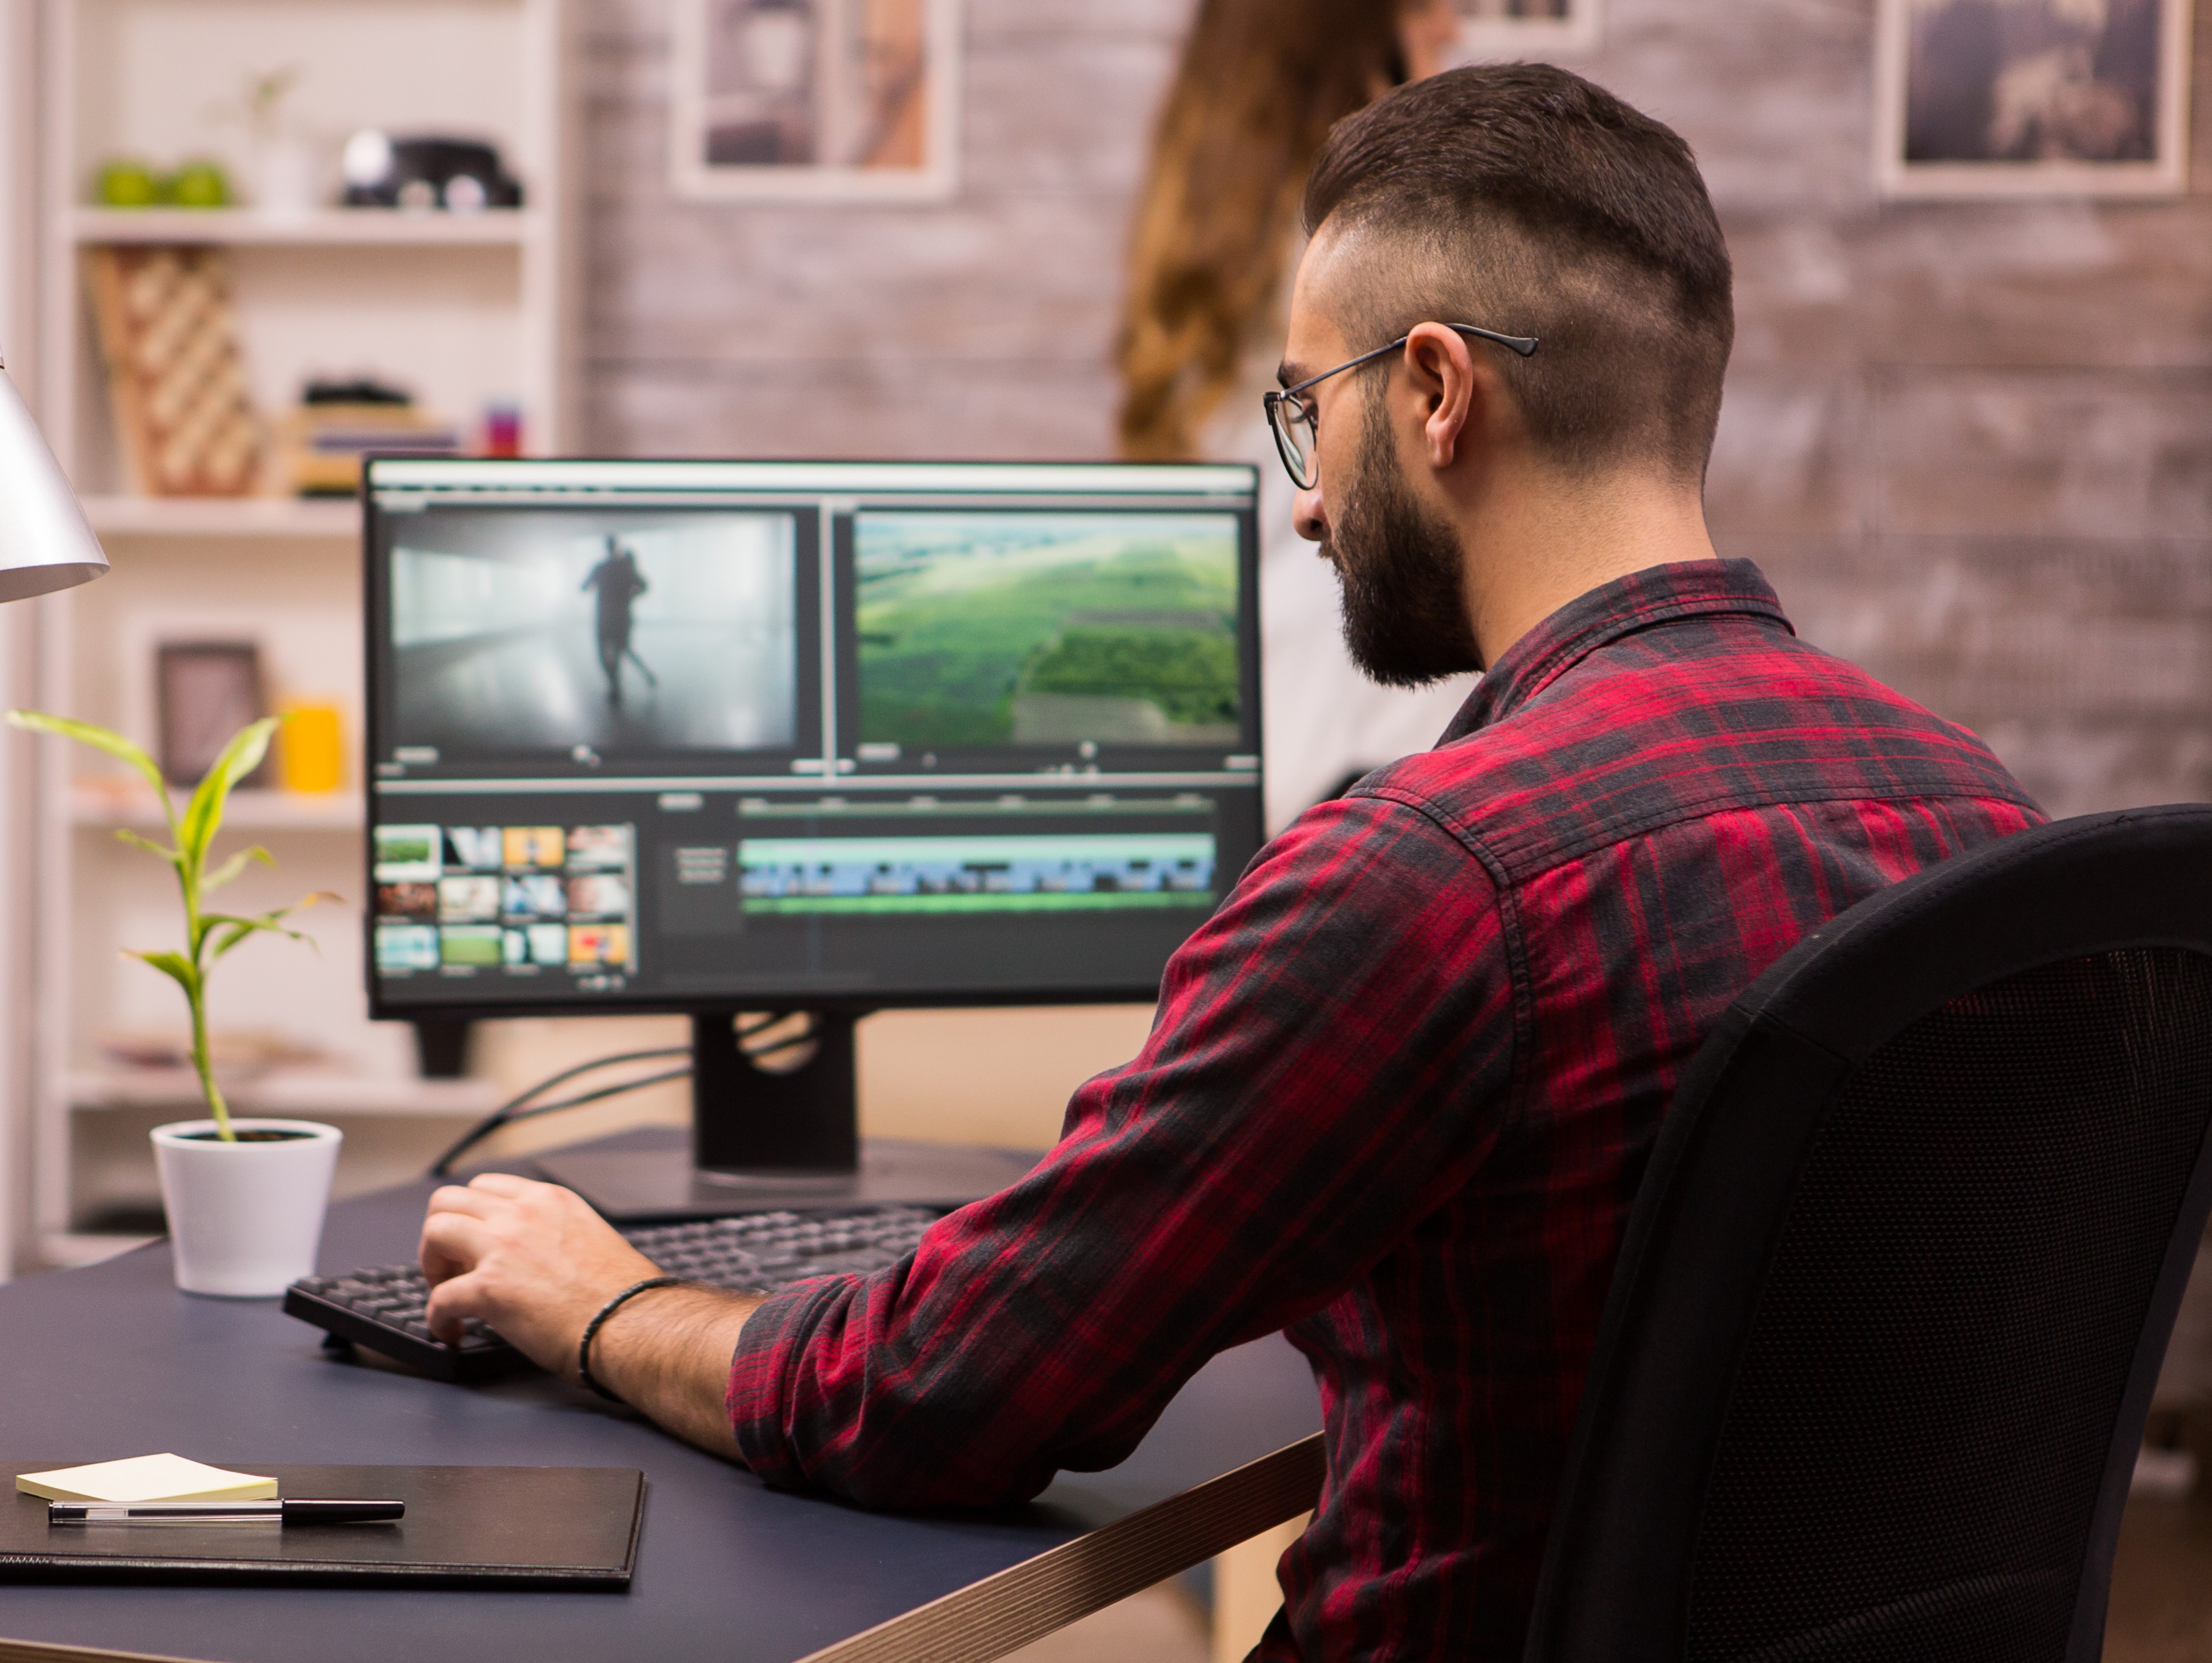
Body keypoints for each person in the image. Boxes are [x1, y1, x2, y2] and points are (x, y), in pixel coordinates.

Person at [417, 67, 2045, 1661]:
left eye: (1301, 412)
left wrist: (605, 1302)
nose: (1301, 506)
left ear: (1428, 393)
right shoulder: (1974, 816)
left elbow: (940, 1391)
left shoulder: (1426, 882)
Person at [1116, 0, 1465, 826]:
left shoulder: (1216, 258)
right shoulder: (1370, 253)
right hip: (1367, 770)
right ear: (1354, 36)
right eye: (1425, 12)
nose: (1450, 29)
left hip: (1249, 762)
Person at [580, 536, 656, 707]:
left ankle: (616, 687)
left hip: (604, 618)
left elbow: (585, 587)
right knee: (623, 650)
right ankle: (641, 677)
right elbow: (644, 586)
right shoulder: (625, 568)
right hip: (623, 616)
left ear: (606, 548)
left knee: (605, 653)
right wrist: (630, 596)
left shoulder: (600, 568)